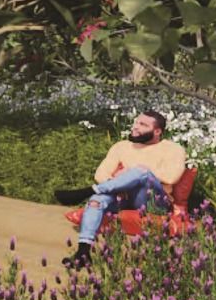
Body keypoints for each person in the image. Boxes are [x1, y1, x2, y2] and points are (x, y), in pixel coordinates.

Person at [64, 110, 188, 270]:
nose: (135, 127)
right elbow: (101, 173)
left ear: (157, 131)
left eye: (143, 125)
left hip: (153, 201)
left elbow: (171, 177)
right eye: (136, 122)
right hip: (121, 196)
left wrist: (131, 174)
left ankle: (89, 190)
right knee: (96, 201)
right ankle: (83, 252)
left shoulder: (173, 149)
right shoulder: (121, 147)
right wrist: (120, 184)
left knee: (141, 171)